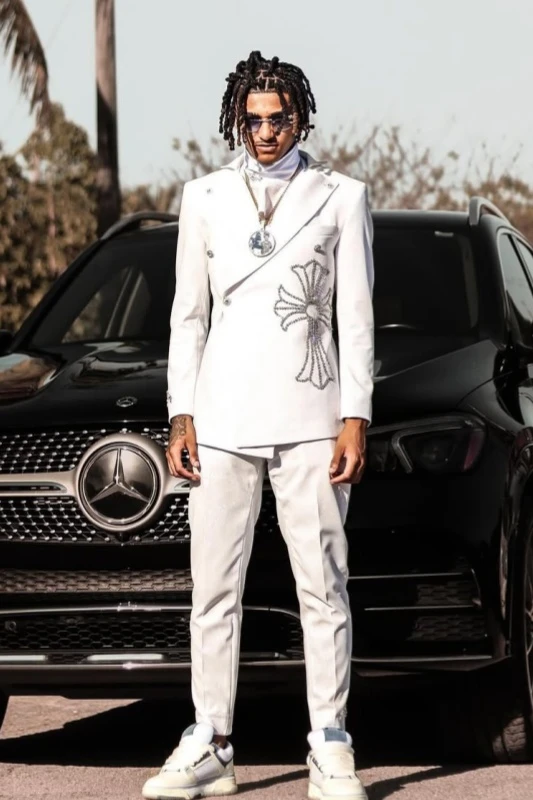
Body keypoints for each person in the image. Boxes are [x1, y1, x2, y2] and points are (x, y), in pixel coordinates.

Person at [142, 50, 374, 800]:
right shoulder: (204, 196)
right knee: (212, 589)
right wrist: (180, 411)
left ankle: (330, 745)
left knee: (323, 588)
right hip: (219, 418)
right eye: (253, 120)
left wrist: (355, 415)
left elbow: (355, 317)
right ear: (237, 120)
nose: (266, 132)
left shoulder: (341, 196)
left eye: (279, 119)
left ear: (300, 118)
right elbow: (187, 316)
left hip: (312, 418)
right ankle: (210, 741)